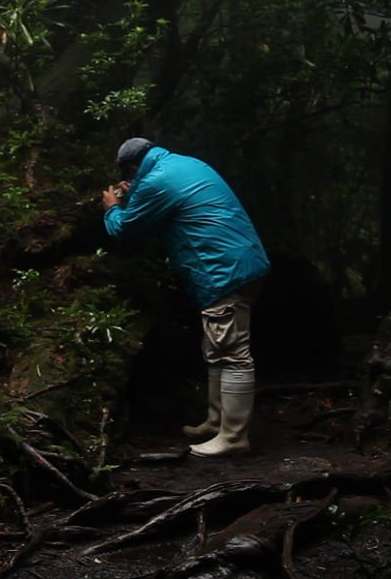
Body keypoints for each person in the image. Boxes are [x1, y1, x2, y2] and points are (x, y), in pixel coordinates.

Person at [102, 138, 270, 457]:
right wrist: (137, 190)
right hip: (242, 263)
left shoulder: (156, 181)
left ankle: (234, 437)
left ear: (132, 168)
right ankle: (216, 422)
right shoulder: (184, 164)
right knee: (217, 348)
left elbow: (125, 229)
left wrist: (112, 207)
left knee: (232, 352)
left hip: (223, 270)